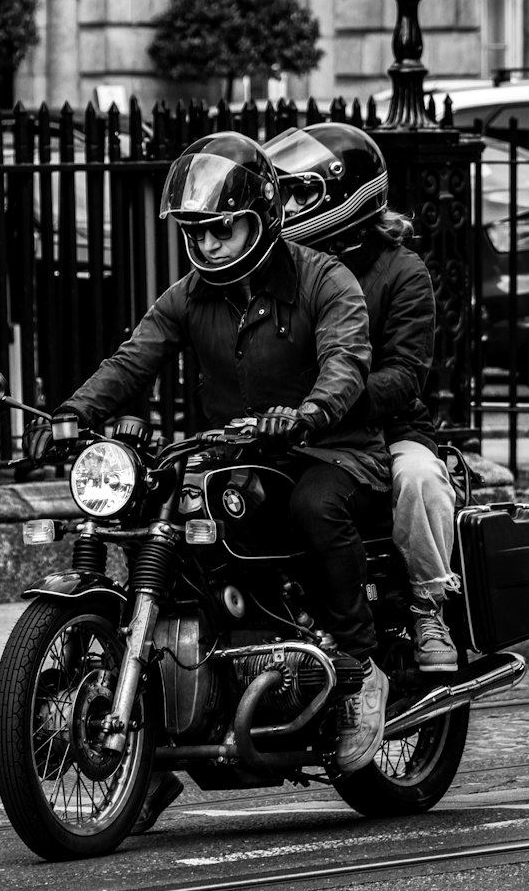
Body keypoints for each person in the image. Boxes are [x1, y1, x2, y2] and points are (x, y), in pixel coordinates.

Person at [23, 131, 392, 830]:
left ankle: (355, 667)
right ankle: (152, 754)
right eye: (198, 232)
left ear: (264, 219)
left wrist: (311, 412)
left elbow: (347, 361)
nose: (212, 245)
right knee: (164, 538)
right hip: (235, 455)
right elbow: (133, 358)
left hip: (330, 451)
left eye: (225, 229)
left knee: (316, 508)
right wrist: (70, 415)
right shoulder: (189, 296)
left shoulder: (323, 279)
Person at [263, 121, 460, 673]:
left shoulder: (403, 272)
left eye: (301, 194)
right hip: (297, 426)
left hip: (386, 428)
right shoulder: (284, 266)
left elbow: (404, 376)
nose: (290, 207)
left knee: (419, 479)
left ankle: (427, 605)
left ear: (347, 195)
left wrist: (324, 404)